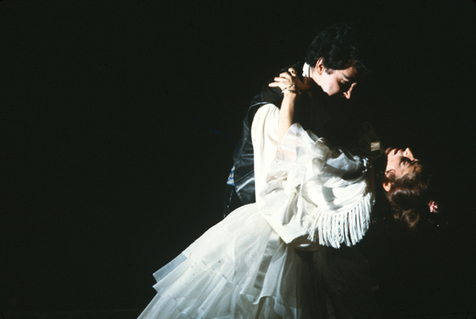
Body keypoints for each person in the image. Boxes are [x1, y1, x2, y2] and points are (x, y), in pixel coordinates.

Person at [137, 61, 431, 317]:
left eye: (406, 160)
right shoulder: (367, 187)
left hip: (271, 236)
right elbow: (368, 146)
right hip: (304, 252)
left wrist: (291, 92)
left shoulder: (358, 173)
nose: (406, 149)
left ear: (390, 180)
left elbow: (294, 141)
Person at [223, 22, 382, 217]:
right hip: (251, 201)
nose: (349, 95)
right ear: (321, 66)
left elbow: (370, 143)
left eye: (354, 88)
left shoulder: (330, 95)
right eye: (344, 83)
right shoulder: (276, 100)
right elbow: (289, 159)